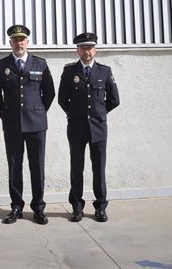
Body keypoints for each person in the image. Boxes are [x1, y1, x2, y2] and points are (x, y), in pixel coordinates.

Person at [0, 25, 55, 225]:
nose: (19, 43)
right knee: (14, 167)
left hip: (36, 124)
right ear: (10, 42)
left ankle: (38, 208)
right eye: (15, 39)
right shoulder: (2, 65)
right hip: (12, 124)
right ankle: (16, 206)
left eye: (22, 39)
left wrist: (38, 111)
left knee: (37, 167)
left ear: (27, 42)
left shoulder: (40, 63)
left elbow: (49, 92)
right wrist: (4, 114)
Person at [58, 32, 120, 223]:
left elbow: (114, 100)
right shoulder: (69, 72)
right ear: (77, 50)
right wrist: (74, 114)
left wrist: (100, 114)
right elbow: (62, 99)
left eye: (90, 47)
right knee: (77, 168)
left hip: (98, 128)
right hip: (77, 128)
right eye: (83, 48)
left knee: (98, 169)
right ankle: (77, 207)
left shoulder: (104, 71)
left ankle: (100, 207)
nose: (87, 51)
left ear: (95, 49)